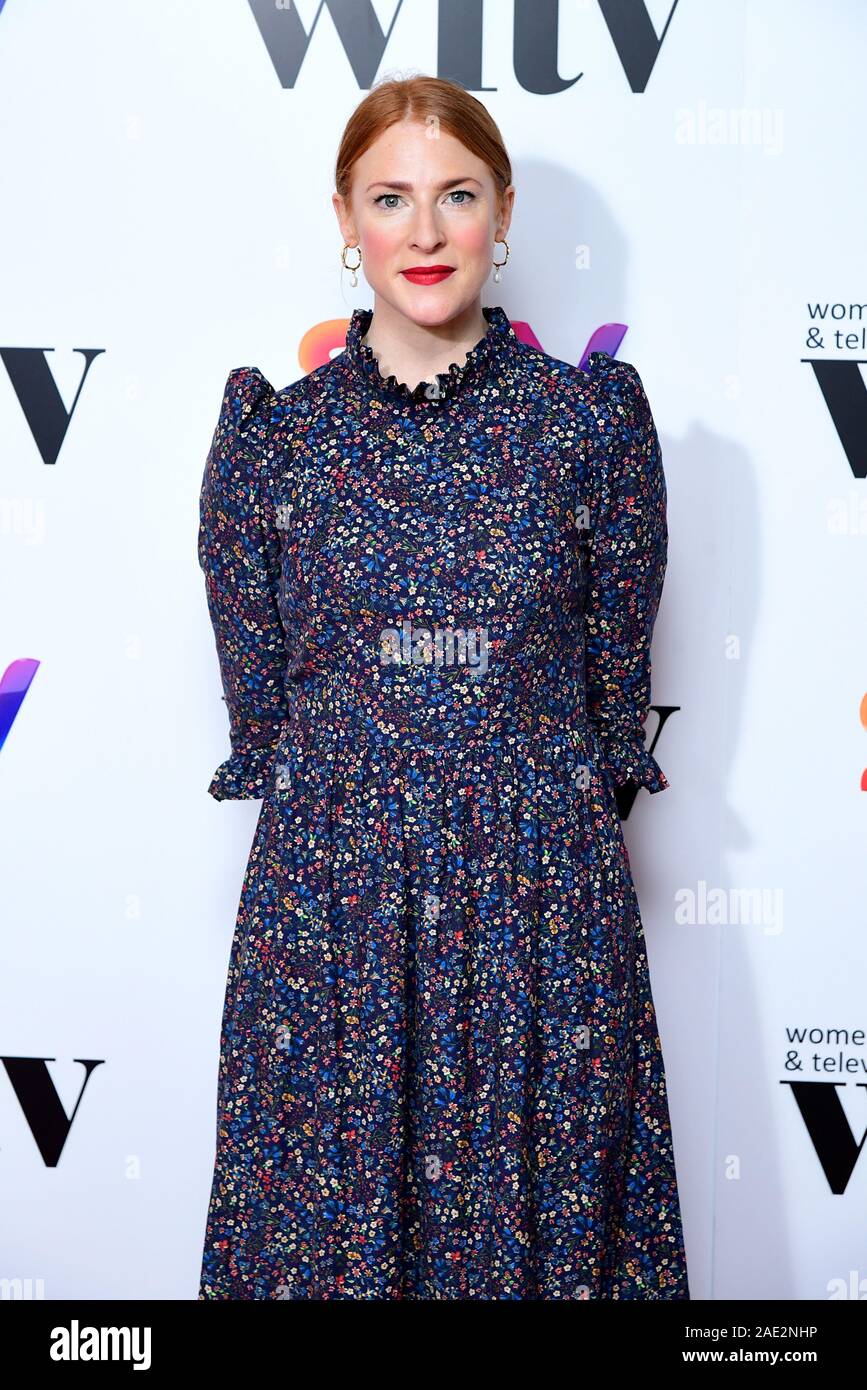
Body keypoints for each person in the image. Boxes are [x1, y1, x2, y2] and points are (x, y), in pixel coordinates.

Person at [196, 74, 689, 1300]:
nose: (424, 233)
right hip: (334, 929)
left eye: (455, 195)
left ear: (502, 213)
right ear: (346, 219)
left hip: (540, 922)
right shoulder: (273, 445)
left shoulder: (591, 432)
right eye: (391, 198)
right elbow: (264, 723)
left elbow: (610, 701)